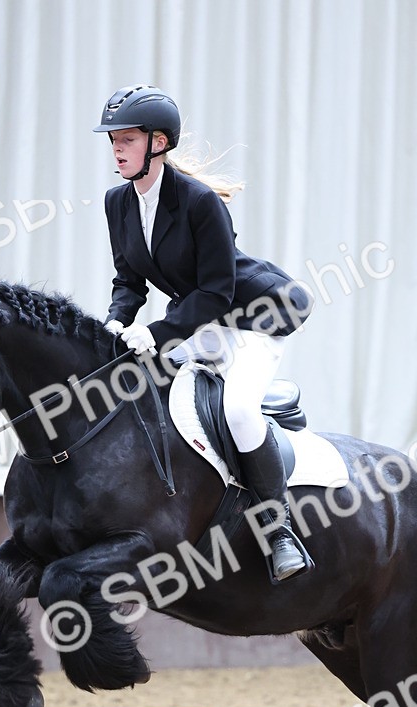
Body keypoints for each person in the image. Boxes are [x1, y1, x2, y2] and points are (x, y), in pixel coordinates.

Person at [94, 85, 314, 581]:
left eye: (127, 139)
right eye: (114, 140)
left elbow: (217, 291)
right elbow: (129, 281)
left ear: (159, 143)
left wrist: (158, 332)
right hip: (197, 323)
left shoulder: (198, 202)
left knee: (237, 408)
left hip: (250, 318)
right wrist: (115, 320)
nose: (117, 149)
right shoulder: (118, 203)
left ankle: (278, 532)